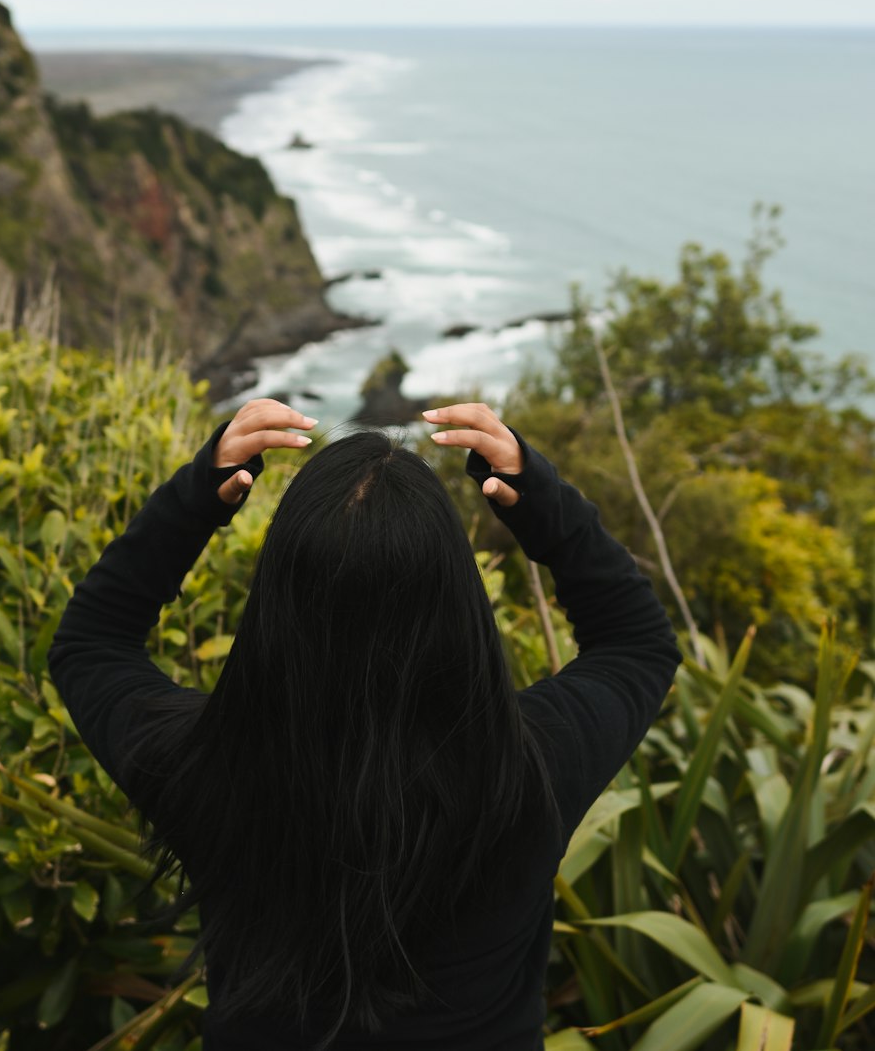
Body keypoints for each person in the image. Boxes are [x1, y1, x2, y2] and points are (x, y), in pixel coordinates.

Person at [49, 398, 682, 1050]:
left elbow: (92, 643)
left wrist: (200, 493)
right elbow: (637, 642)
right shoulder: (529, 771)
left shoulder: (207, 770)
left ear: (276, 607)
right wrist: (531, 490)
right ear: (456, 602)